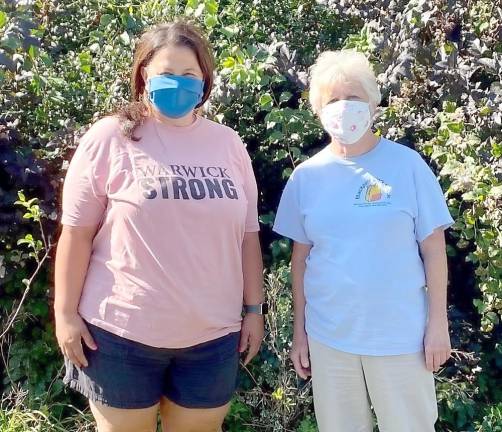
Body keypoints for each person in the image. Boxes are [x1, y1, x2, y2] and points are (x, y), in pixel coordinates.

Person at [54, 21, 266, 432]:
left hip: (213, 337)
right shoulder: (110, 138)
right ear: (143, 76)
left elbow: (247, 236)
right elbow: (76, 234)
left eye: (189, 75)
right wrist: (65, 315)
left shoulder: (228, 144)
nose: (178, 84)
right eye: (167, 73)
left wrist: (254, 311)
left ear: (205, 81)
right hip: (120, 335)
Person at [273, 49, 454, 432]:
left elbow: (434, 251)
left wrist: (438, 324)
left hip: (401, 339)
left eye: (353, 97)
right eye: (333, 100)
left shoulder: (408, 166)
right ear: (318, 110)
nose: (344, 107)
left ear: (373, 102)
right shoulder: (306, 177)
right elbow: (300, 262)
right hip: (330, 339)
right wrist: (300, 332)